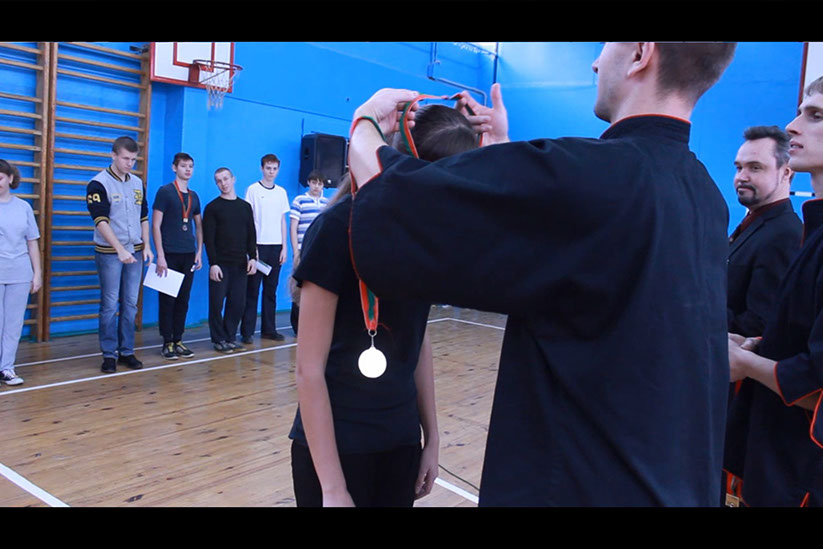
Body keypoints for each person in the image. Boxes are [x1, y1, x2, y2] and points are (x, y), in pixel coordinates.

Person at [345, 42, 737, 506]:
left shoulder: (595, 175)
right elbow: (570, 255)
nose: (595, 62)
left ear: (640, 53)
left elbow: (394, 200)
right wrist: (498, 154)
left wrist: (365, 122)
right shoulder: (704, 196)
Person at [289, 103, 480, 507]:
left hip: (400, 442)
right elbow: (308, 370)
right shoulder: (335, 229)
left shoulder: (425, 238)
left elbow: (418, 339)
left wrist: (431, 438)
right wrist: (333, 487)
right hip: (337, 448)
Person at [727, 75, 823, 506]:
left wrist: (746, 363)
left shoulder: (787, 233)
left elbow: (816, 380)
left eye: (815, 115)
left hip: (801, 472)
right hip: (774, 455)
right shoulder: (812, 230)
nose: (793, 126)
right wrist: (759, 345)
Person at [722, 126, 803, 504]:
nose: (742, 176)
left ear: (786, 172)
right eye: (739, 167)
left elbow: (761, 323)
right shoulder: (754, 224)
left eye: (755, 167)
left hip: (739, 392)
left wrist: (691, 310)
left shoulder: (784, 233)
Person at [86, 136, 153, 374]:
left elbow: (143, 216)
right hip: (109, 254)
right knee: (109, 303)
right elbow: (100, 221)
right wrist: (119, 249)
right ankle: (108, 353)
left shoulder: (137, 183)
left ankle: (127, 351)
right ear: (113, 155)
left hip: (135, 251)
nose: (129, 164)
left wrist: (147, 245)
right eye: (125, 158)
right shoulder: (98, 184)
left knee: (131, 303)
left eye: (133, 159)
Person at [151, 152, 203, 360]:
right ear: (174, 168)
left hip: (188, 254)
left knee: (183, 299)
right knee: (168, 300)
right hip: (169, 254)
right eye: (183, 166)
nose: (188, 169)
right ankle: (167, 342)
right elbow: (156, 225)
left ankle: (179, 339)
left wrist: (199, 252)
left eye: (191, 166)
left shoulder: (194, 196)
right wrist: (160, 255)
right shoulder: (165, 192)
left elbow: (199, 225)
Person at [203, 167, 257, 354]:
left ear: (233, 179)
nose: (223, 183)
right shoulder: (212, 208)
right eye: (219, 181)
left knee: (237, 303)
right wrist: (213, 263)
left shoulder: (245, 207)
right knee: (217, 303)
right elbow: (209, 238)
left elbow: (251, 234)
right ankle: (218, 339)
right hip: (221, 264)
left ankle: (230, 336)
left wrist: (253, 257)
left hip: (240, 264)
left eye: (225, 179)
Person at [240, 154, 290, 344]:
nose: (271, 172)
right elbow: (249, 221)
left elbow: (282, 221)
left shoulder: (281, 192)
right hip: (258, 246)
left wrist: (284, 247)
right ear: (262, 168)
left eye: (274, 169)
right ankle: (247, 331)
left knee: (271, 291)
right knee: (252, 290)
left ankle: (269, 330)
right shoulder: (253, 190)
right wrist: (252, 249)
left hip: (276, 247)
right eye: (268, 168)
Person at [0, 160, 41, 386]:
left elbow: (32, 242)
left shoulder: (23, 207)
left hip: (20, 272)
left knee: (13, 324)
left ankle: (7, 368)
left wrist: (37, 274)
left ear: (10, 178)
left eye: (0, 178)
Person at [288, 170, 329, 335]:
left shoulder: (327, 203)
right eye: (314, 182)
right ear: (309, 183)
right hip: (302, 250)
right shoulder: (300, 200)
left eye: (320, 183)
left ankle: (315, 324)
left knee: (317, 287)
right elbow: (293, 227)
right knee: (298, 288)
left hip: (319, 251)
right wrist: (296, 251)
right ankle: (297, 326)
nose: (316, 186)